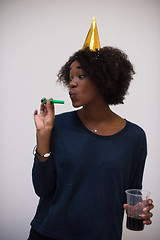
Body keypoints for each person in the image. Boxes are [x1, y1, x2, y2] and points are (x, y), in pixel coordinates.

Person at [28, 19, 154, 240]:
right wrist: (43, 137)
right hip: (47, 234)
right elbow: (42, 189)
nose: (72, 84)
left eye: (81, 76)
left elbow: (132, 193)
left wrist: (138, 210)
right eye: (70, 78)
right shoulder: (57, 125)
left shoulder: (135, 137)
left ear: (104, 79)